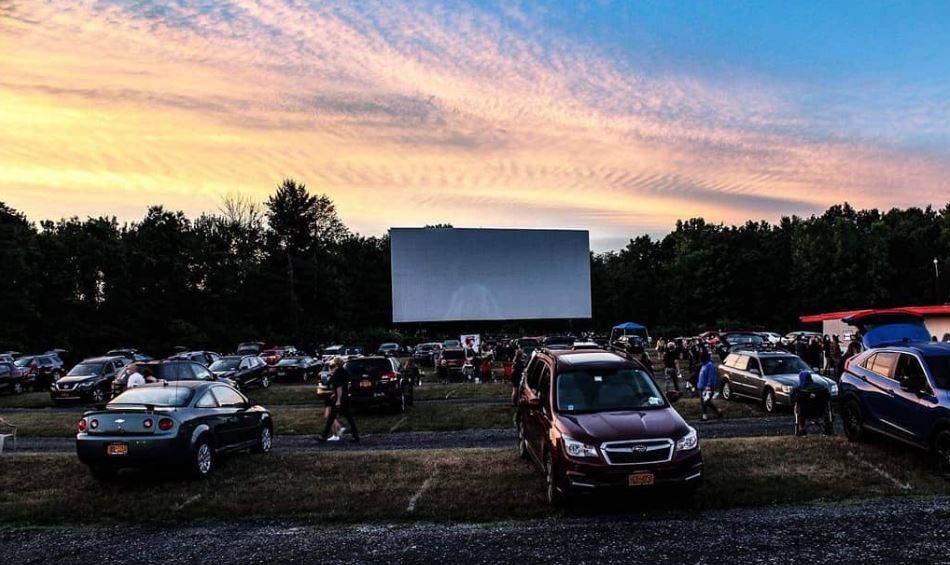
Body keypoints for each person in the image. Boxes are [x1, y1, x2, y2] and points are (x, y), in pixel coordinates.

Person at [319, 357, 359, 443]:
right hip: (345, 397)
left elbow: (339, 387)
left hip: (340, 399)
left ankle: (323, 436)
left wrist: (338, 400)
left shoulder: (337, 373)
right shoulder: (345, 372)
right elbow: (346, 386)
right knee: (349, 419)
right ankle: (356, 437)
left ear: (336, 363)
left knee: (331, 418)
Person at [696, 351, 723, 421]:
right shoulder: (704, 365)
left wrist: (708, 386)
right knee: (703, 401)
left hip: (707, 387)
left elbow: (711, 377)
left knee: (706, 401)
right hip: (701, 386)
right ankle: (706, 415)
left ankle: (716, 411)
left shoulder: (710, 365)